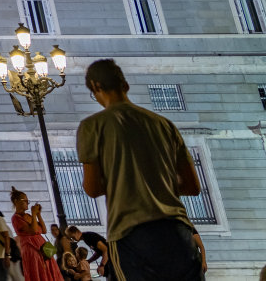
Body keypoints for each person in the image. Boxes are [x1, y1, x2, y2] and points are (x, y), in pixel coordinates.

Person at [76, 58, 203, 281]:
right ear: (125, 85)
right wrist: (157, 181)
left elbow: (93, 188)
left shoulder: (92, 126)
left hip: (131, 234)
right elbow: (193, 186)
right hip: (177, 230)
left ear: (96, 87)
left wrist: (125, 181)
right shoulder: (163, 124)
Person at [8, 190, 63, 281]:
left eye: (27, 201)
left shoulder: (29, 216)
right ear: (16, 201)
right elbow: (33, 230)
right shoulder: (16, 218)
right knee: (39, 271)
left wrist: (38, 214)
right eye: (25, 200)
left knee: (48, 271)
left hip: (43, 248)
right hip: (31, 248)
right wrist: (34, 214)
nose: (27, 203)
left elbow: (44, 230)